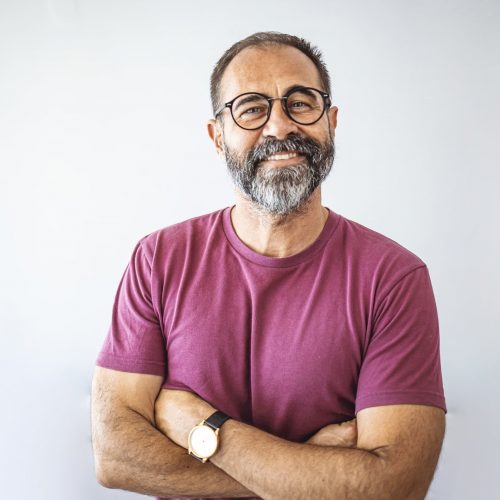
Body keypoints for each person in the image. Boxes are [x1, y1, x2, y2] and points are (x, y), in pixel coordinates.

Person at [91, 31, 446, 500]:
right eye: (252, 108)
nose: (280, 127)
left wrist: (203, 427)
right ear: (218, 136)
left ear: (331, 122)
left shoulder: (393, 279)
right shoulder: (158, 260)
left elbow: (395, 486)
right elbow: (115, 456)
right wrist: (309, 470)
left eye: (301, 103)